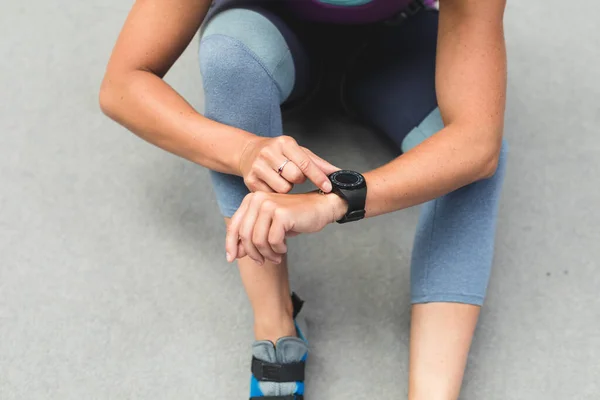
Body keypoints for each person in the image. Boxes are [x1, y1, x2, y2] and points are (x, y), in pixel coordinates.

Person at [100, 0, 508, 398]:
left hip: (393, 46)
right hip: (270, 32)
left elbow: (476, 144)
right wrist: (243, 151)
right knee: (230, 59)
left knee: (467, 157)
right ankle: (275, 322)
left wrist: (335, 200)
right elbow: (123, 83)